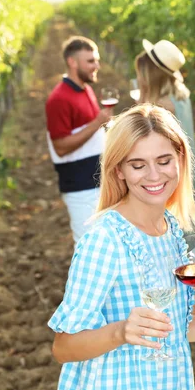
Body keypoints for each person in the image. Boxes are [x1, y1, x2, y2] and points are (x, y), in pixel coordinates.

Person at [48, 104, 195, 390]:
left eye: (164, 161)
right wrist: (121, 331)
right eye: (138, 165)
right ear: (120, 171)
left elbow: (175, 329)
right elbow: (63, 347)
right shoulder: (105, 240)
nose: (153, 176)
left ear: (180, 159)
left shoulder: (172, 231)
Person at [45, 36, 113, 242]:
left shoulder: (86, 89)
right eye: (90, 61)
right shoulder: (58, 99)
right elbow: (61, 147)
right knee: (87, 244)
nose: (97, 65)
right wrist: (97, 122)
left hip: (97, 181)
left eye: (97, 60)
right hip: (80, 187)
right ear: (72, 63)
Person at [135, 39, 195, 225]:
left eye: (141, 75)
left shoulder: (160, 108)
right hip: (184, 169)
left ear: (150, 76)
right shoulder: (180, 94)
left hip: (166, 177)